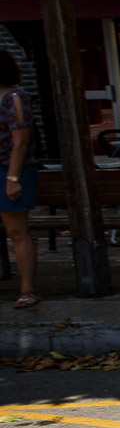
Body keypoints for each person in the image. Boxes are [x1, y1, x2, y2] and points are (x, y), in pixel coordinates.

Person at [0, 50, 39, 309]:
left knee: (16, 231)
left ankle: (28, 290)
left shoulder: (14, 98)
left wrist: (12, 177)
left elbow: (21, 141)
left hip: (9, 168)